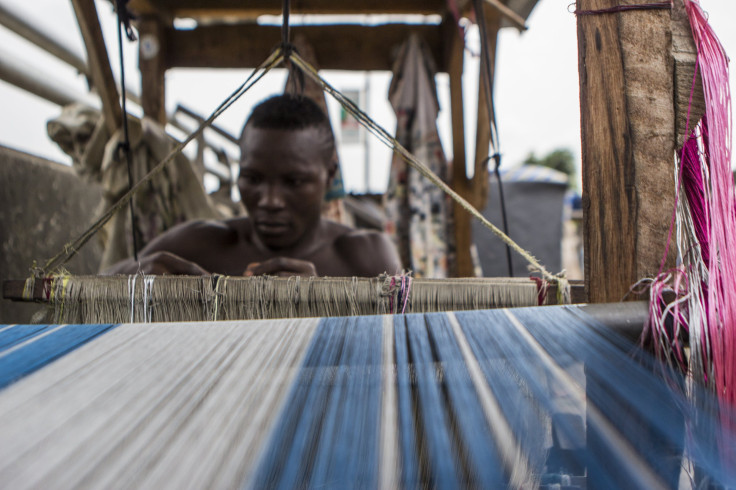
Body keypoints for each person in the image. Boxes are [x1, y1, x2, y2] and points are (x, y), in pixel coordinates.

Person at [105, 94, 402, 277]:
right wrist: (131, 277)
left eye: (293, 181)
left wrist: (320, 305)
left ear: (329, 176)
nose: (270, 200)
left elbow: (401, 345)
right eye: (253, 179)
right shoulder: (199, 246)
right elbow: (93, 285)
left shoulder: (365, 256)